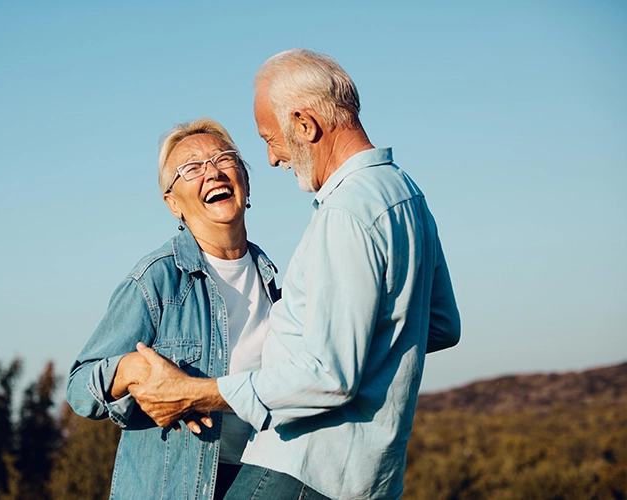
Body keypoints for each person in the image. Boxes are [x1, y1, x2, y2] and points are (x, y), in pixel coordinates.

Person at [129, 49, 461, 500]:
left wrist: (197, 393)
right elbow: (440, 324)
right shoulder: (405, 194)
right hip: (371, 477)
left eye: (271, 138)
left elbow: (330, 376)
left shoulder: (345, 212)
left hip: (301, 469)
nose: (272, 158)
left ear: (306, 125)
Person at [65, 118, 281, 500]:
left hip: (256, 481)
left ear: (245, 181)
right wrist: (129, 369)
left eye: (224, 159)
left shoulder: (274, 282)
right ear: (173, 204)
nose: (212, 172)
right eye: (191, 168)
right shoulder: (156, 280)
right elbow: (80, 387)